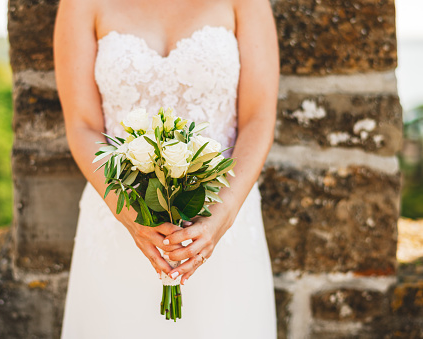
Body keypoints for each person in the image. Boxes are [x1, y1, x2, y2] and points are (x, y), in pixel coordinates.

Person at [54, 0, 279, 337]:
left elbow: (259, 117)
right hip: (118, 219)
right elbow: (83, 125)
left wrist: (221, 215)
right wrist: (128, 212)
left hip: (223, 221)